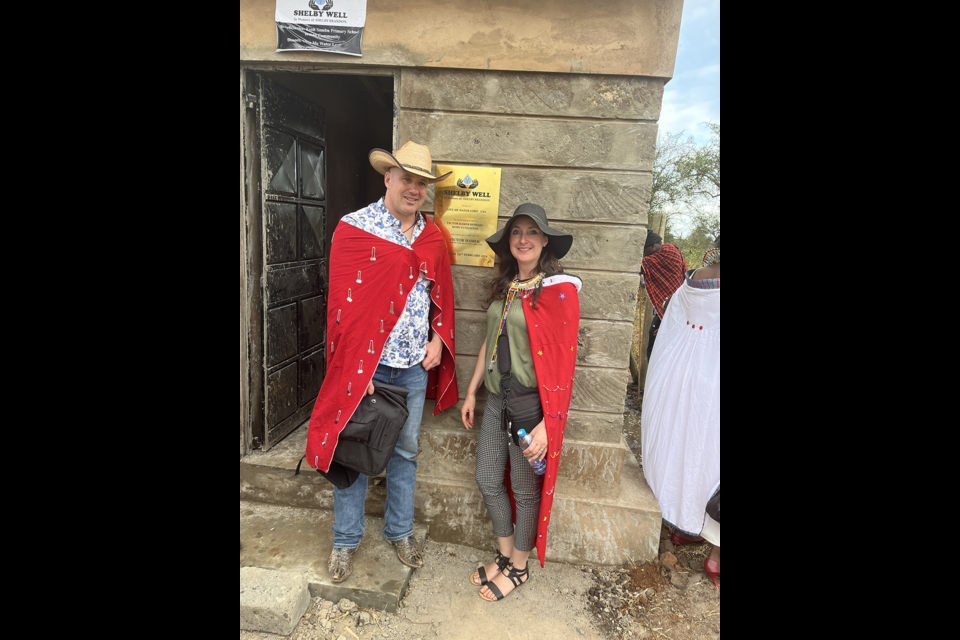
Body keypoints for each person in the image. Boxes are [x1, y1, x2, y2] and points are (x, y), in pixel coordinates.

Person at [306, 142, 460, 584]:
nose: (414, 189)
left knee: (405, 451)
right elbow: (341, 310)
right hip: (366, 367)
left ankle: (400, 531)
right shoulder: (354, 229)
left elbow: (440, 296)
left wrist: (436, 339)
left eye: (422, 183)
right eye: (407, 179)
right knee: (352, 449)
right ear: (387, 178)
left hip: (413, 364)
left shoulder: (432, 237)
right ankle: (345, 540)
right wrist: (355, 366)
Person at [461, 204, 582, 602]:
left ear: (544, 241)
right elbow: (490, 342)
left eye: (532, 232)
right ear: (509, 242)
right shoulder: (506, 287)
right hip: (497, 401)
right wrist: (473, 391)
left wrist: (550, 424)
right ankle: (505, 552)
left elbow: (564, 365)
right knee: (487, 477)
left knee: (526, 491)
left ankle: (520, 566)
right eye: (516, 233)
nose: (523, 239)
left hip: (531, 410)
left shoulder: (556, 291)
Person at [642, 235, 721, 592]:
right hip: (711, 377)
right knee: (709, 456)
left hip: (678, 371)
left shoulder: (693, 278)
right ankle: (716, 554)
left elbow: (672, 323)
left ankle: (682, 526)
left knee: (681, 443)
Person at [641, 231, 688, 359]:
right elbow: (656, 278)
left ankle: (655, 376)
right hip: (672, 307)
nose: (643, 254)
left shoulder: (668, 253)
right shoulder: (664, 254)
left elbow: (642, 265)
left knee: (657, 346)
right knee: (656, 342)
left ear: (651, 246)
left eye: (643, 250)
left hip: (674, 309)